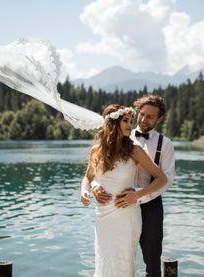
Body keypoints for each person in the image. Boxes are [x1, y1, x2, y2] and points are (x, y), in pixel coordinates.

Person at [80, 104, 167, 277]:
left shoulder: (135, 150)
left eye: (130, 121)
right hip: (103, 216)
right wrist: (85, 191)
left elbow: (161, 179)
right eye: (125, 121)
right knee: (104, 259)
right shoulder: (96, 151)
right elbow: (88, 177)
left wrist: (137, 195)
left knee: (123, 262)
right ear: (112, 123)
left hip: (127, 215)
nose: (130, 125)